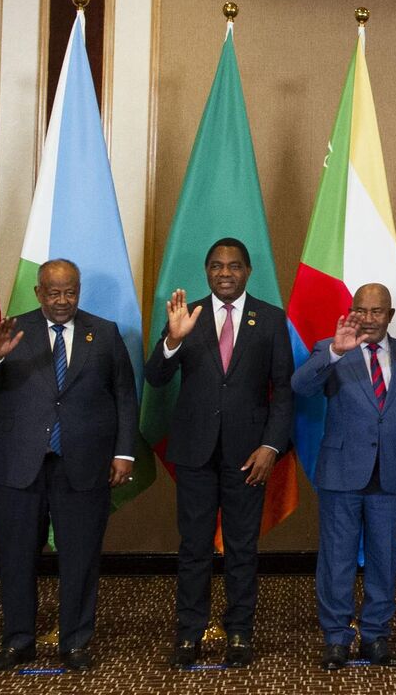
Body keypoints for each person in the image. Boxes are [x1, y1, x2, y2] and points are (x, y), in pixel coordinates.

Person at [0, 260, 138, 672]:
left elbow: (124, 395)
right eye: (54, 293)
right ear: (38, 292)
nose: (63, 300)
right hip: (18, 464)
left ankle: (76, 642)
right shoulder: (12, 330)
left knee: (80, 558)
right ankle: (18, 641)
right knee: (15, 557)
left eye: (70, 292)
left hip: (83, 463)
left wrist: (124, 452)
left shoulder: (102, 332)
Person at [144, 237, 294, 668]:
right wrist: (172, 341)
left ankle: (240, 632)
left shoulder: (269, 319)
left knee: (242, 547)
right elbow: (155, 378)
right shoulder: (185, 315)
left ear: (248, 272)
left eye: (233, 266)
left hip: (249, 454)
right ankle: (189, 633)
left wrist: (271, 446)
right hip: (194, 451)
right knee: (193, 547)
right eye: (215, 266)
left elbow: (282, 391)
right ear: (206, 271)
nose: (224, 273)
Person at [294, 284, 396, 670]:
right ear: (352, 311)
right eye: (362, 310)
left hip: (392, 476)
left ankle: (375, 635)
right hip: (341, 474)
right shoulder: (332, 347)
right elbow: (300, 386)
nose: (369, 319)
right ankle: (336, 637)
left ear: (390, 315)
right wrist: (337, 352)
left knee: (384, 560)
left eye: (377, 311)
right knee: (337, 560)